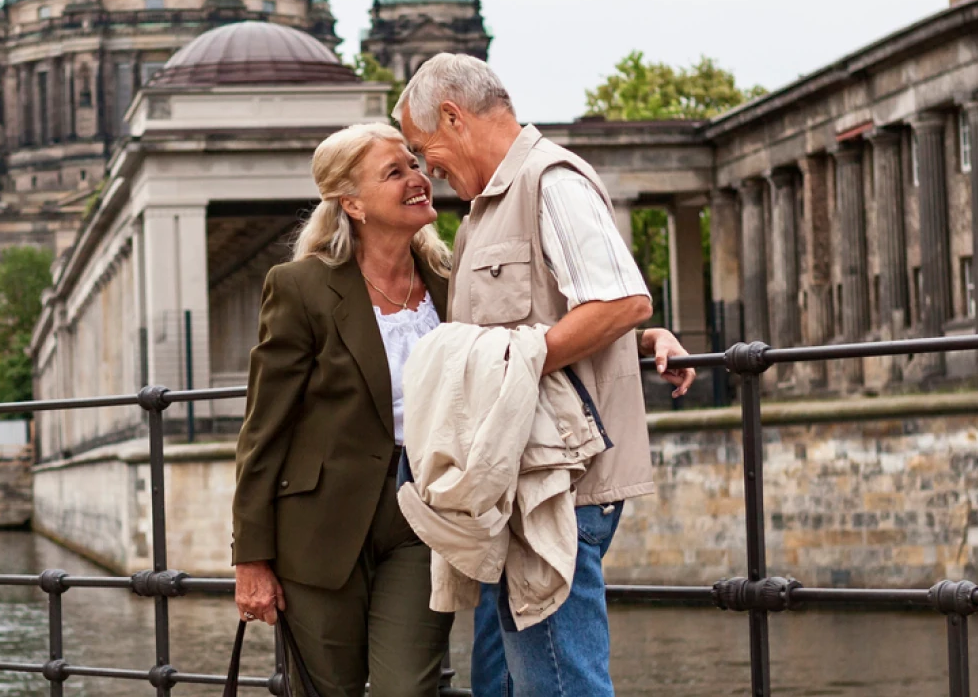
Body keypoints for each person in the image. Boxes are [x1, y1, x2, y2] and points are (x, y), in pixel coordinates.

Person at [396, 53, 693, 697]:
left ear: (454, 117)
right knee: (504, 683)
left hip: (558, 485)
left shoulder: (549, 181)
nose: (429, 169)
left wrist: (511, 366)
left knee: (560, 685)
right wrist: (639, 342)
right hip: (519, 484)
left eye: (424, 149)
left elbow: (620, 301)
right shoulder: (484, 211)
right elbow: (577, 312)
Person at [232, 122, 459, 697]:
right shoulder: (301, 287)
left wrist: (640, 337)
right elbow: (264, 429)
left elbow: (529, 330)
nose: (418, 178)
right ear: (351, 203)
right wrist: (251, 558)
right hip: (318, 527)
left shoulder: (449, 282)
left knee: (407, 689)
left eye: (414, 164)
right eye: (395, 172)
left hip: (423, 511)